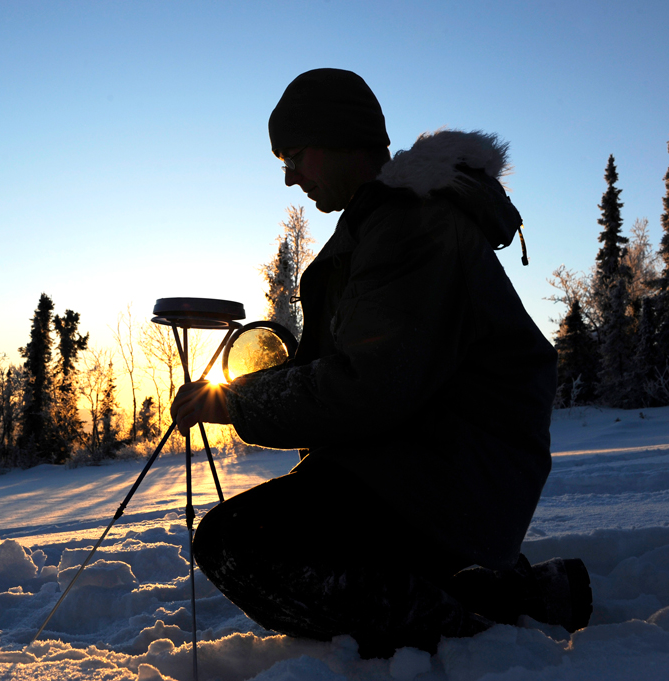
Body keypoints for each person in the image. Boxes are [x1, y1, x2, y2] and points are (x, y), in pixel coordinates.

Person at [170, 68, 591, 657]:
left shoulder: (411, 225)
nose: (290, 178)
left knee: (239, 543)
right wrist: (243, 390)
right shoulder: (380, 226)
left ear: (339, 139)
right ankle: (518, 593)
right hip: (417, 462)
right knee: (289, 535)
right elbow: (348, 366)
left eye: (295, 155)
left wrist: (230, 399)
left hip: (449, 477)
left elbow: (365, 386)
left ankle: (475, 639)